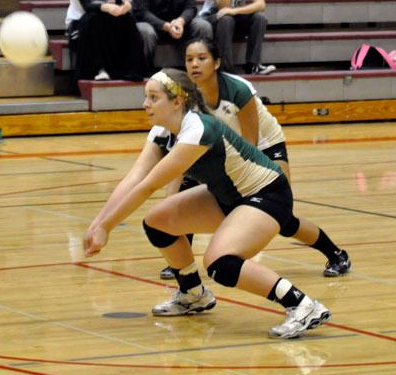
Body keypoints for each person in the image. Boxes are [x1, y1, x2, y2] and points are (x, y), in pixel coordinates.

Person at [84, 68, 333, 339]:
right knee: (157, 223)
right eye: (146, 97)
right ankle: (193, 295)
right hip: (227, 197)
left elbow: (148, 185)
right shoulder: (162, 132)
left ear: (177, 101)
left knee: (220, 262)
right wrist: (97, 223)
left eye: (153, 97)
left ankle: (302, 305)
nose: (145, 104)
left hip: (267, 194)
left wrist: (107, 227)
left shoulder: (197, 129)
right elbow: (134, 177)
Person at [159, 38, 351, 280]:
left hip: (263, 147)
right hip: (227, 150)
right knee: (187, 188)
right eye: (189, 59)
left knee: (282, 217)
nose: (195, 64)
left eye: (202, 58)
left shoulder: (238, 89)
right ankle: (181, 261)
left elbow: (249, 144)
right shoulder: (186, 99)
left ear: (217, 62)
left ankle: (336, 254)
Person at [65, 0, 147, 92]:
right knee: (93, 18)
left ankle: (134, 69)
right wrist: (105, 6)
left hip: (101, 22)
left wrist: (125, 7)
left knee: (128, 18)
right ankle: (99, 69)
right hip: (78, 24)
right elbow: (86, 6)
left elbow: (120, 1)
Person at [131, 0, 213, 73]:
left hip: (181, 25)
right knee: (144, 30)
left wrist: (180, 21)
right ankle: (145, 73)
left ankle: (202, 72)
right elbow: (141, 12)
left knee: (203, 26)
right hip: (153, 26)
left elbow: (191, 7)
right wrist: (165, 26)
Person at [199, 0, 275, 74]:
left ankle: (253, 65)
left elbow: (261, 4)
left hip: (234, 14)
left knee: (259, 18)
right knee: (226, 19)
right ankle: (225, 69)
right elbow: (222, 8)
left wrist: (235, 11)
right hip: (212, 16)